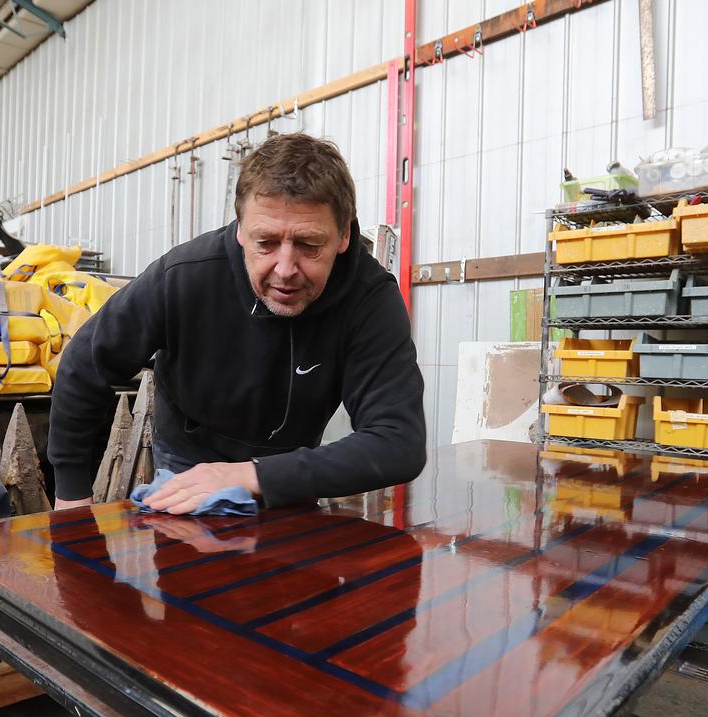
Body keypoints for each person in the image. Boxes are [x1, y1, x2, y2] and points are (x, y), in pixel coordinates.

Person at [47, 132, 426, 514]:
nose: (285, 269)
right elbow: (85, 363)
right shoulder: (184, 276)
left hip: (286, 471)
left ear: (344, 235)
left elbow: (398, 441)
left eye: (310, 245)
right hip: (187, 468)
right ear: (241, 229)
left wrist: (251, 475)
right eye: (266, 242)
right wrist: (71, 493)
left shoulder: (369, 299)